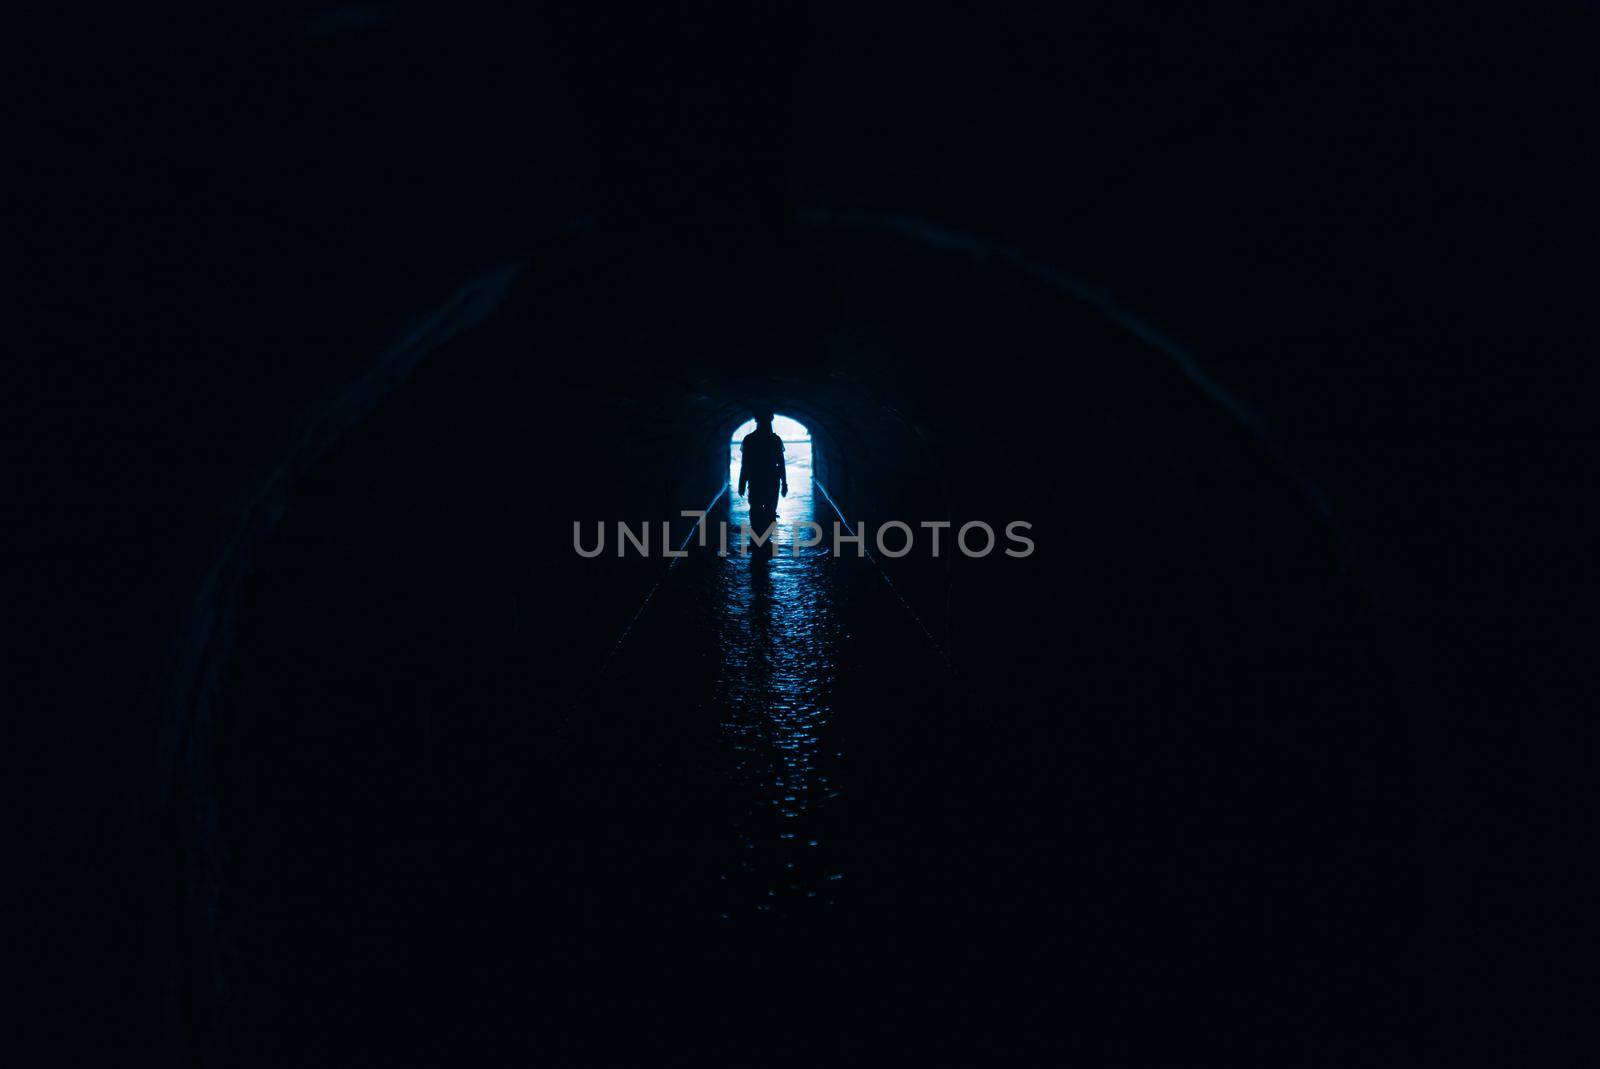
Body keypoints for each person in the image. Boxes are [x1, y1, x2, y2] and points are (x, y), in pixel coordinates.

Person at [737, 409, 787, 549]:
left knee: (756, 511)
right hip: (771, 480)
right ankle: (764, 541)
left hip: (756, 479)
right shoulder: (775, 439)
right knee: (769, 511)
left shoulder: (750, 439)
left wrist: (742, 482)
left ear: (756, 420)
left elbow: (745, 463)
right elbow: (781, 463)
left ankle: (758, 541)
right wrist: (784, 483)